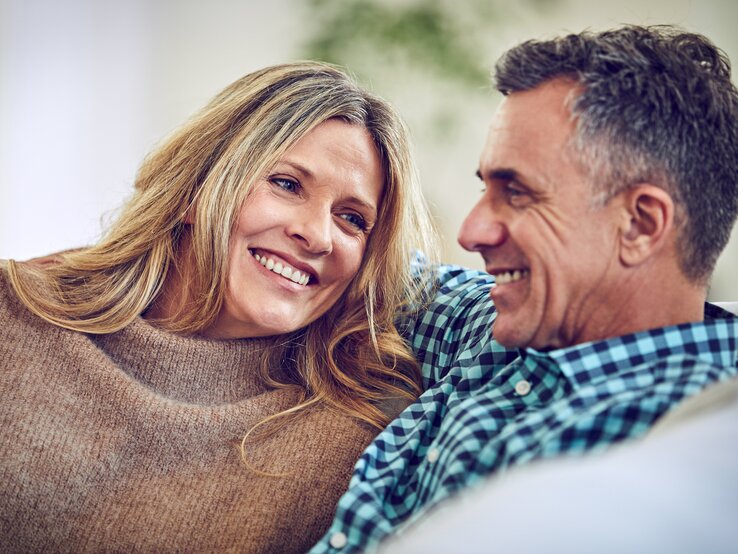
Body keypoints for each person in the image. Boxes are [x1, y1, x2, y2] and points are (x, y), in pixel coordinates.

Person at [311, 25, 738, 553]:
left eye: (517, 193)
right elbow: (380, 273)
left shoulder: (692, 445)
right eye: (485, 188)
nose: (469, 232)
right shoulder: (496, 323)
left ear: (641, 225)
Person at [0, 61, 439, 553]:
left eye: (352, 218)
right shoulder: (14, 315)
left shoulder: (356, 442)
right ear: (193, 190)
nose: (316, 235)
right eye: (287, 184)